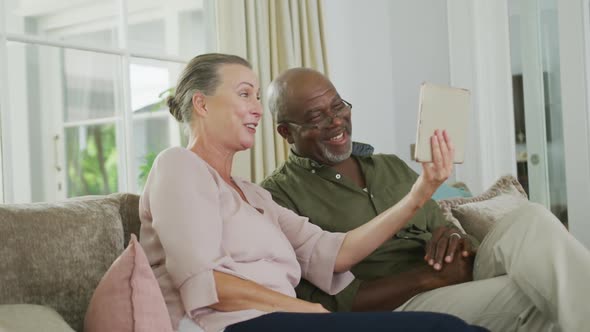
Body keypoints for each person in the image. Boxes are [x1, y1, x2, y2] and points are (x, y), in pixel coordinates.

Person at [138, 53, 487, 332]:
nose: (258, 108)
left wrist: (420, 192)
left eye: (258, 97)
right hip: (233, 324)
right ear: (202, 104)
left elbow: (333, 253)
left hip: (287, 320)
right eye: (244, 94)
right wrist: (308, 310)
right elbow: (207, 283)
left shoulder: (254, 195)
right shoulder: (179, 166)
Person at [261, 67, 590, 332]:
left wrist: (454, 238)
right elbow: (327, 304)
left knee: (530, 218)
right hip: (404, 304)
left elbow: (443, 226)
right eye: (316, 117)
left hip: (461, 274)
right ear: (286, 132)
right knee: (531, 295)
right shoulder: (279, 196)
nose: (335, 121)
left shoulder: (389, 166)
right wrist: (430, 277)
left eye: (337, 106)